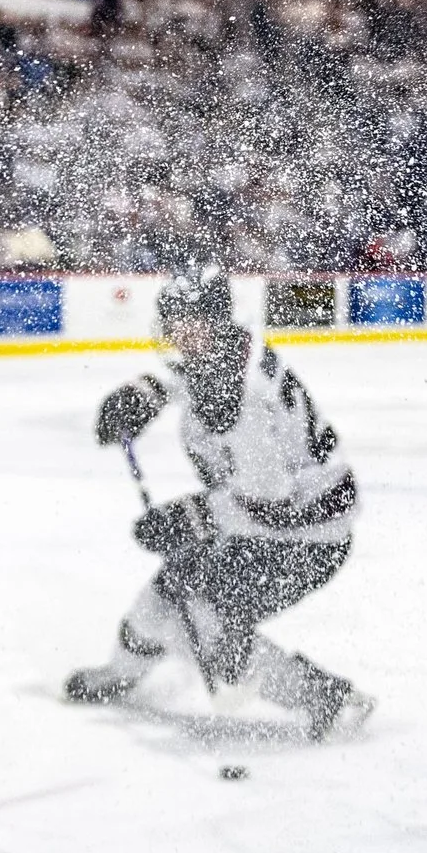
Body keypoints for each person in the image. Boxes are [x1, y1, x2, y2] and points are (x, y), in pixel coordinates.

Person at [67, 266, 371, 741]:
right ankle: (120, 672)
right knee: (169, 591)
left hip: (306, 537)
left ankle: (323, 698)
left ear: (214, 319)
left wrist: (190, 517)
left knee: (207, 619)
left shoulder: (241, 395)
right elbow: (194, 377)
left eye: (187, 320)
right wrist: (146, 392)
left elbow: (269, 497)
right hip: (271, 526)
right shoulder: (225, 354)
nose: (175, 332)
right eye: (171, 319)